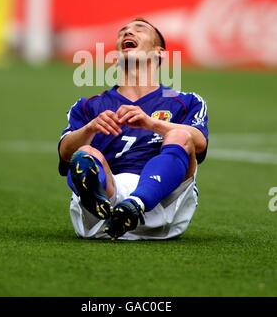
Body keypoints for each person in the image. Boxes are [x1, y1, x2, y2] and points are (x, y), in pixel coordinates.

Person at [58, 18, 208, 240]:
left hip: (164, 203)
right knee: (85, 155)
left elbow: (198, 143)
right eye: (123, 32)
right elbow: (65, 154)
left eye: (140, 29)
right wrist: (90, 129)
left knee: (180, 135)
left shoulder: (185, 102)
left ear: (159, 53)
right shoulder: (90, 106)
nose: (128, 32)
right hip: (107, 201)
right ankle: (104, 203)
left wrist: (151, 123)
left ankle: (136, 203)